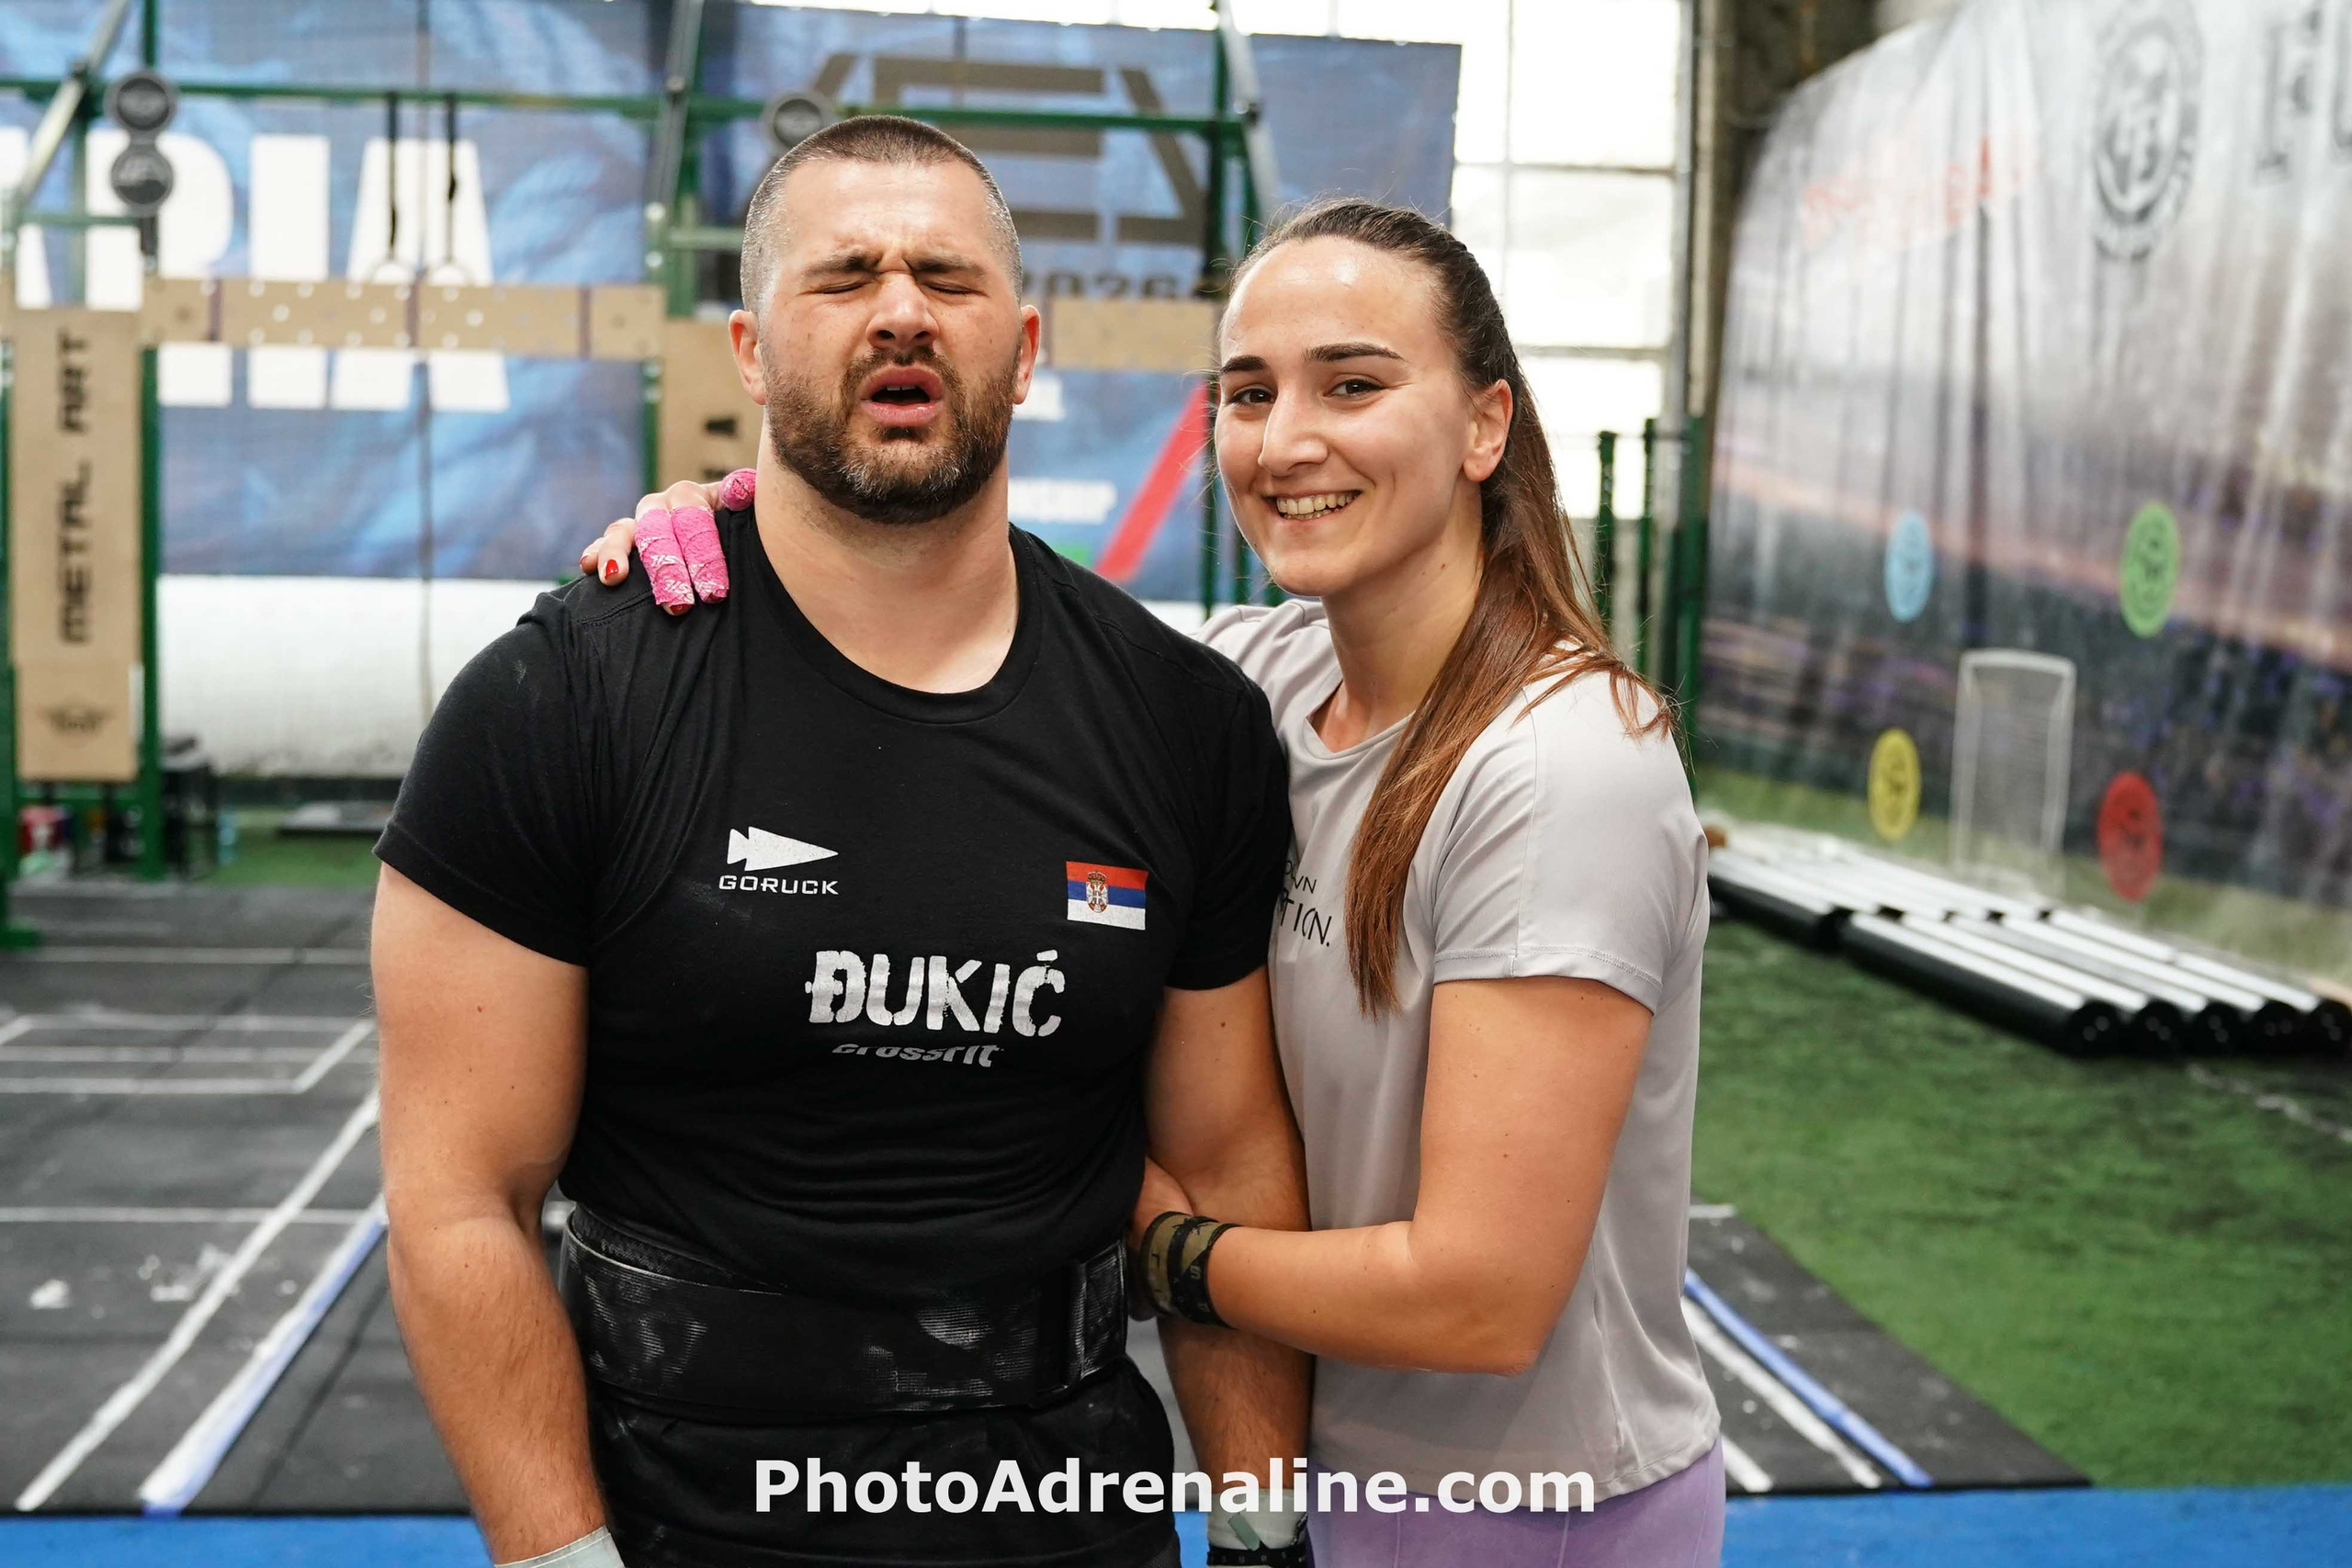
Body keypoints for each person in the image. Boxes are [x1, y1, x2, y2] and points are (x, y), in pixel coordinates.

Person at [592, 197, 1724, 1566]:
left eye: (1353, 384)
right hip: (1336, 1476)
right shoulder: (1264, 679)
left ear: (1486, 424)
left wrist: (1153, 1239)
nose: (1287, 438)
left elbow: (1479, 1299)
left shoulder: (1560, 769)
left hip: (1526, 1509)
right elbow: (1005, 631)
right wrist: (749, 518)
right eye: (1248, 393)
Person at [373, 116, 1314, 1568]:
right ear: (749, 350)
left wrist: (1263, 1533)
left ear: (1025, 343)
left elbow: (1230, 1163)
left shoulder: (1187, 722)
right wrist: (561, 1559)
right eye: (845, 276)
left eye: (947, 277)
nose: (898, 311)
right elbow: (460, 1200)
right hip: (685, 1520)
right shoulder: (561, 700)